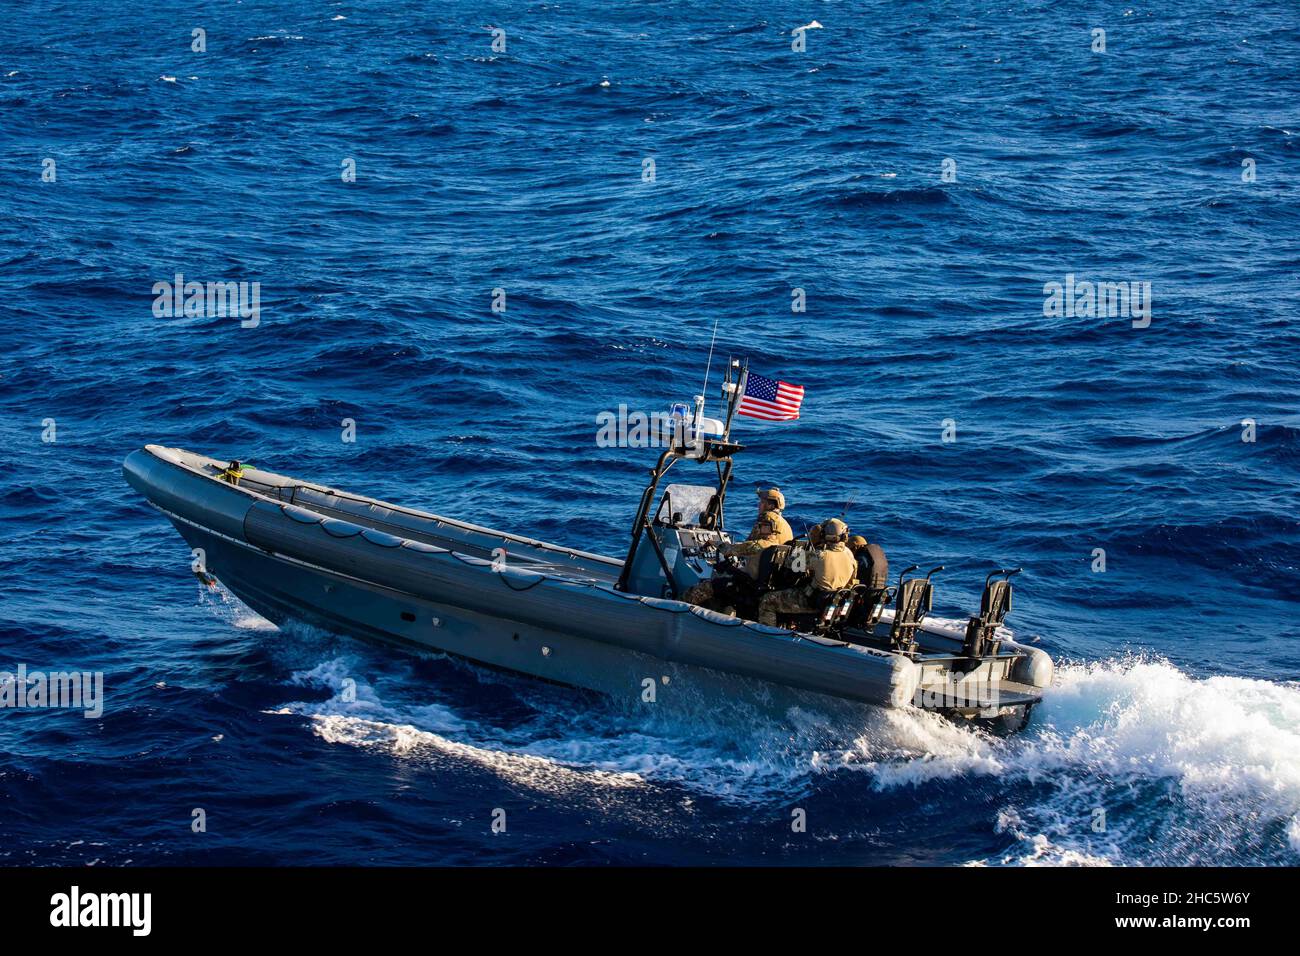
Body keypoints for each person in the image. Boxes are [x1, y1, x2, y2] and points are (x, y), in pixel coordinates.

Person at [757, 517, 857, 625]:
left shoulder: (820, 555)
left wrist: (797, 551)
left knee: (767, 600)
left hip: (812, 602)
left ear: (824, 535)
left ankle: (768, 634)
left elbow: (790, 563)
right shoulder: (849, 554)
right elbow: (851, 581)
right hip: (835, 601)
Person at [681, 515, 784, 609]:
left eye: (762, 525)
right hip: (760, 587)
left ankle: (679, 607)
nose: (759, 527)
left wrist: (712, 542)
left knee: (707, 586)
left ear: (769, 528)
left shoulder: (757, 545)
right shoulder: (779, 546)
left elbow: (729, 549)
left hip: (746, 586)